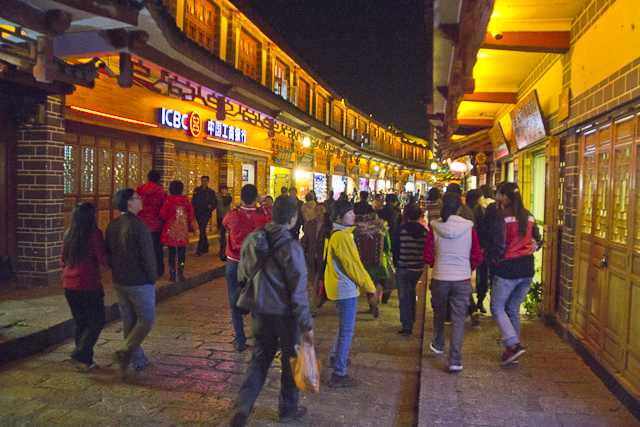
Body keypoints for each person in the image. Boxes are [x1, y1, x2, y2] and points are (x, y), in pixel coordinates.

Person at [229, 196, 314, 426]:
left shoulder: (253, 239)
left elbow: (243, 275)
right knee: (290, 361)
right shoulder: (292, 248)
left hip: (260, 312)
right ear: (293, 218)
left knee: (259, 360)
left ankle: (242, 407)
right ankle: (287, 410)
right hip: (286, 318)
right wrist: (306, 324)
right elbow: (298, 293)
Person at [424, 193, 482, 372]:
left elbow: (427, 255)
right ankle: (455, 360)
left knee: (439, 313)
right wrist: (467, 267)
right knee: (458, 319)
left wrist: (437, 264)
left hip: (440, 277)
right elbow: (477, 256)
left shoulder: (435, 227)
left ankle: (438, 344)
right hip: (462, 279)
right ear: (459, 208)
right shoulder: (469, 227)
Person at [324, 199, 378, 387]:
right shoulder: (341, 237)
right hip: (344, 289)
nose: (353, 215)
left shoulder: (342, 234)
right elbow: (353, 266)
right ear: (339, 216)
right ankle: (339, 373)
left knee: (343, 327)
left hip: (341, 287)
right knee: (347, 331)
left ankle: (334, 357)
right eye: (349, 212)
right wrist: (370, 287)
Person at [106, 189, 158, 376]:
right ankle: (126, 350)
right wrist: (152, 277)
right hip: (139, 281)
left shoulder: (112, 226)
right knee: (146, 318)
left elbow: (109, 254)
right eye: (136, 198)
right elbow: (148, 257)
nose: (139, 200)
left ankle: (137, 358)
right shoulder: (139, 227)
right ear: (129, 203)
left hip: (120, 280)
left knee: (128, 319)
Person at [490, 182, 542, 365]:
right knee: (512, 309)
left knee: (496, 307)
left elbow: (500, 244)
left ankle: (513, 345)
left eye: (499, 195)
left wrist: (495, 260)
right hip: (527, 268)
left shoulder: (502, 216)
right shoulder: (529, 216)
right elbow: (538, 240)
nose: (498, 198)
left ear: (505, 197)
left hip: (508, 269)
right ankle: (512, 352)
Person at [61, 202, 109, 372]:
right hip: (88, 284)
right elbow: (103, 259)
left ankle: (85, 362)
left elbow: (63, 259)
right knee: (97, 320)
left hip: (69, 284)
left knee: (81, 323)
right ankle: (80, 353)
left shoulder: (69, 233)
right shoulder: (94, 233)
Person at [223, 184, 271, 353]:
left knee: (234, 301)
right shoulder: (260, 218)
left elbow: (224, 223)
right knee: (257, 300)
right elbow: (270, 222)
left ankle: (240, 340)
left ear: (241, 197)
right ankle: (259, 339)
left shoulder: (232, 215)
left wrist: (236, 207)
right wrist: (263, 204)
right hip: (254, 265)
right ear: (256, 197)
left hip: (234, 262)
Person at [395, 203, 428, 336]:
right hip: (418, 268)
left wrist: (396, 265)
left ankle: (407, 324)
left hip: (403, 267)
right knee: (412, 290)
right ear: (420, 216)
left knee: (403, 296)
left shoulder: (401, 230)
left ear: (406, 215)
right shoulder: (425, 232)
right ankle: (412, 317)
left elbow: (396, 250)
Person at [159, 180, 196, 282]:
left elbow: (162, 215)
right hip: (182, 231)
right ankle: (180, 273)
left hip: (171, 231)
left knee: (171, 253)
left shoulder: (168, 201)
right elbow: (191, 215)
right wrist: (189, 226)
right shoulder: (186, 201)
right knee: (181, 253)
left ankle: (172, 274)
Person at [136, 170, 166, 277]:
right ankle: (158, 270)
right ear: (158, 179)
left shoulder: (139, 190)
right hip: (156, 225)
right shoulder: (161, 192)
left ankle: (142, 270)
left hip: (141, 224)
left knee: (141, 249)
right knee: (156, 249)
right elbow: (163, 209)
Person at [300, 203, 327, 309]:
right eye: (317, 210)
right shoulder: (310, 224)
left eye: (321, 211)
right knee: (312, 280)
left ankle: (316, 301)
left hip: (323, 257)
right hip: (311, 256)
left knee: (319, 279)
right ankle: (314, 303)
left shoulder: (328, 226)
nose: (319, 213)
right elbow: (305, 240)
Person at [377, 193, 401, 303]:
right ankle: (386, 295)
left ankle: (376, 293)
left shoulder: (379, 212)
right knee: (389, 270)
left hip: (378, 243)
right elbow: (397, 231)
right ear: (395, 202)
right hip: (391, 244)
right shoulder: (396, 214)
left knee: (379, 268)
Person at [192, 175, 217, 257]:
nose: (203, 182)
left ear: (208, 182)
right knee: (202, 229)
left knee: (202, 228)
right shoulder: (197, 190)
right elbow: (193, 201)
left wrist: (211, 207)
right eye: (202, 181)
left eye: (205, 181)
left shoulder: (211, 192)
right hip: (198, 212)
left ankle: (199, 249)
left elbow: (214, 202)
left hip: (206, 213)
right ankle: (205, 246)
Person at [217, 185, 232, 262]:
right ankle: (223, 250)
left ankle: (223, 251)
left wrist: (224, 195)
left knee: (223, 234)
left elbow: (226, 203)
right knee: (221, 234)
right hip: (219, 217)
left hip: (227, 217)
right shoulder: (218, 196)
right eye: (222, 189)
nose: (223, 190)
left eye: (225, 189)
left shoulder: (229, 196)